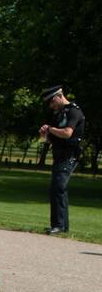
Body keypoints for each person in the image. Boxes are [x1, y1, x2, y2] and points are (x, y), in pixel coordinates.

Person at [40, 83, 85, 234]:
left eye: (52, 101)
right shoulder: (57, 115)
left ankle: (59, 225)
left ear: (59, 96)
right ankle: (61, 225)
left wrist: (51, 129)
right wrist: (44, 134)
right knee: (57, 188)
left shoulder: (74, 111)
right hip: (58, 155)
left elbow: (67, 133)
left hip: (70, 154)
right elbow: (48, 140)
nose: (51, 106)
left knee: (58, 187)